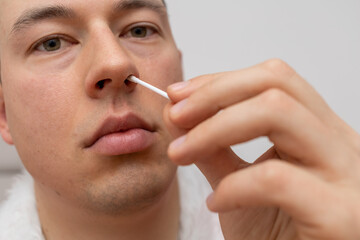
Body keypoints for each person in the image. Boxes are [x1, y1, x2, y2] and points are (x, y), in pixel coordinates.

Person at [0, 1, 359, 240]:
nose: (116, 63)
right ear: (3, 115)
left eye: (139, 30)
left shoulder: (290, 223)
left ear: (180, 69)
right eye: (50, 43)